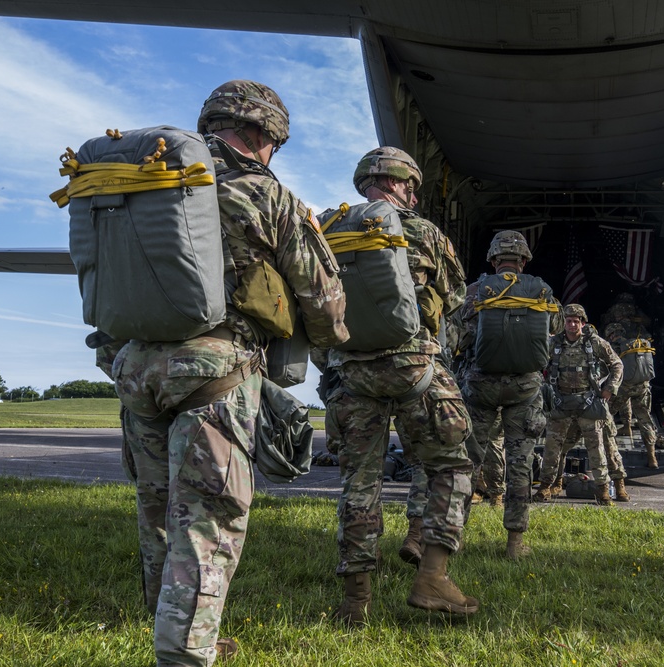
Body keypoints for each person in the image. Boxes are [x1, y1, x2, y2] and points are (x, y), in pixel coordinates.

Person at [103, 80, 349, 666]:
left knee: (159, 516)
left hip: (137, 370)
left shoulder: (146, 181)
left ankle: (182, 633)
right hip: (215, 372)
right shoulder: (265, 194)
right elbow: (324, 299)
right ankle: (184, 655)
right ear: (263, 134)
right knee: (207, 525)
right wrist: (333, 340)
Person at [320, 146, 477, 624]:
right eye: (411, 184)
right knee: (452, 466)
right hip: (414, 367)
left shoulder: (327, 228)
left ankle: (356, 601)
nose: (413, 192)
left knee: (358, 484)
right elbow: (453, 299)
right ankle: (432, 577)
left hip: (351, 372)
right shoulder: (423, 231)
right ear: (398, 182)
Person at [460, 231, 561, 559]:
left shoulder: (476, 291)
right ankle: (515, 544)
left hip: (481, 385)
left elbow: (456, 330)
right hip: (525, 387)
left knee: (469, 460)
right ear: (524, 260)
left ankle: (454, 537)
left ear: (492, 260)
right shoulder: (542, 289)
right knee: (520, 463)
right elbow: (556, 327)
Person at [535, 304, 624, 506]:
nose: (573, 324)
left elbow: (617, 364)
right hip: (560, 402)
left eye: (576, 321)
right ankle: (544, 488)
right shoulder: (553, 343)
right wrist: (542, 389)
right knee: (551, 449)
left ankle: (603, 491)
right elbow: (535, 363)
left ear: (582, 323)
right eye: (569, 321)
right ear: (563, 323)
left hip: (588, 402)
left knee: (597, 449)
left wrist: (610, 387)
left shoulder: (594, 342)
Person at [605, 321, 659, 468]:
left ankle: (610, 448)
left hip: (624, 387)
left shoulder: (614, 347)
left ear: (611, 334)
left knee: (606, 414)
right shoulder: (637, 345)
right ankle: (652, 457)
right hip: (643, 387)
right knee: (645, 420)